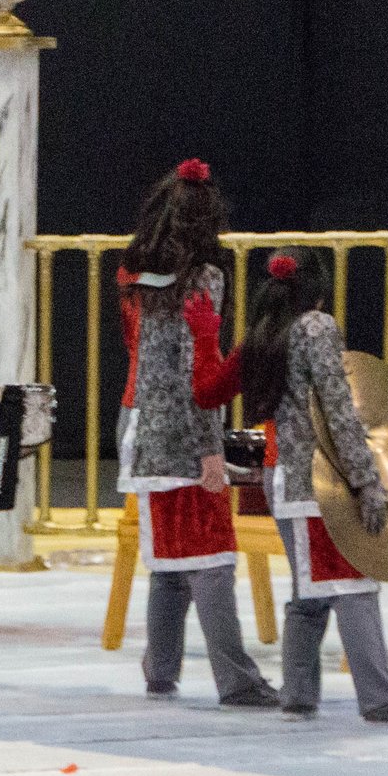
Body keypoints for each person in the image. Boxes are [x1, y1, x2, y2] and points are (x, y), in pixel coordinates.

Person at [238, 247, 388, 723]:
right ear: (320, 288)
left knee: (310, 594)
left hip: (282, 477)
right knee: (353, 585)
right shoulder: (316, 327)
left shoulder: (264, 328)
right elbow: (338, 410)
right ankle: (380, 699)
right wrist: (367, 479)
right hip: (317, 484)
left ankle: (298, 695)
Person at [117, 158, 276, 707]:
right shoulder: (205, 279)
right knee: (211, 559)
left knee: (167, 560)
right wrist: (211, 450)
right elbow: (198, 370)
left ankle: (160, 670)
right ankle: (236, 679)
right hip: (183, 433)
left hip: (138, 424)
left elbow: (141, 355)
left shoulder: (133, 273)